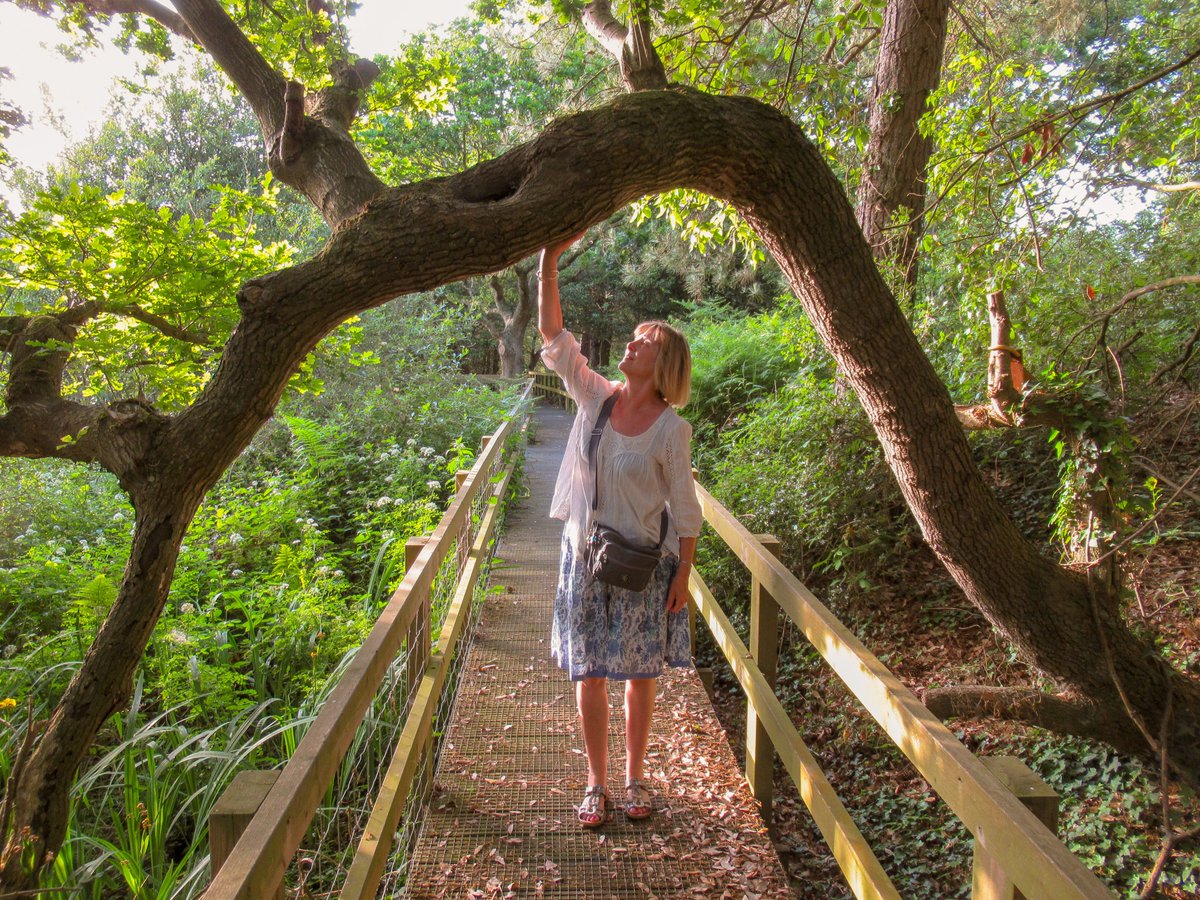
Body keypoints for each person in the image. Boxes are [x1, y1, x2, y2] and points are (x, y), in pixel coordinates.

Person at [536, 233, 702, 828]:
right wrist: (549, 261)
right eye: (633, 338)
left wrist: (683, 571)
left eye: (645, 343)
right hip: (584, 557)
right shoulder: (596, 399)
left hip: (642, 566)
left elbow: (685, 510)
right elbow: (555, 340)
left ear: (665, 367)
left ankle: (634, 779)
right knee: (590, 670)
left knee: (637, 674)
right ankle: (595, 783)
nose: (631, 344)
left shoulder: (670, 430)